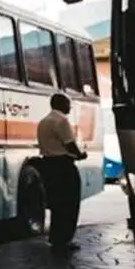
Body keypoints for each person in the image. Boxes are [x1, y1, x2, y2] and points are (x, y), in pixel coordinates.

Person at [35, 93, 88, 251]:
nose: (70, 107)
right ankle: (65, 239)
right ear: (61, 104)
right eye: (68, 103)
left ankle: (55, 237)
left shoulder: (43, 122)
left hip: (48, 165)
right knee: (69, 204)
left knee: (57, 204)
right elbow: (69, 144)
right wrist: (80, 155)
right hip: (63, 166)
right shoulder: (62, 120)